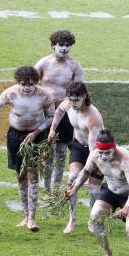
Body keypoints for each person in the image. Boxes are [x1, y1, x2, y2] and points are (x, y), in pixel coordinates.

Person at [66, 129, 129, 256]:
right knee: (95, 217)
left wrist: (126, 207)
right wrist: (74, 189)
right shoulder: (95, 155)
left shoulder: (125, 158)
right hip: (111, 190)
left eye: (107, 152)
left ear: (114, 147)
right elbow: (85, 172)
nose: (103, 156)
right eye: (101, 152)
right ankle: (108, 253)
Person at [0, 66, 55, 231]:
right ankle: (25, 215)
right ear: (18, 82)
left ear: (36, 82)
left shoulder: (44, 95)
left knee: (33, 176)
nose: (27, 87)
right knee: (20, 176)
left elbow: (51, 116)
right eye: (23, 83)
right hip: (15, 136)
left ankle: (33, 218)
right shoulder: (11, 93)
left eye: (31, 84)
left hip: (36, 137)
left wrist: (36, 132)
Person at [48, 81, 104, 234]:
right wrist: (52, 129)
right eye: (71, 99)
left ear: (84, 96)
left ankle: (93, 220)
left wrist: (93, 167)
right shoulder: (68, 103)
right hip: (78, 145)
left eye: (76, 100)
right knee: (72, 180)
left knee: (93, 190)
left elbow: (94, 148)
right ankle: (72, 219)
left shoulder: (93, 117)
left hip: (97, 152)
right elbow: (59, 111)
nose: (73, 103)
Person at [35, 29, 85, 193]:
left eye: (67, 46)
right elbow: (30, 84)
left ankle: (56, 187)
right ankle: (46, 188)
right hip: (45, 112)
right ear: (53, 46)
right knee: (48, 152)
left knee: (62, 151)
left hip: (66, 113)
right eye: (61, 45)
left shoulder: (74, 66)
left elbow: (80, 90)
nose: (64, 48)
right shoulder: (43, 63)